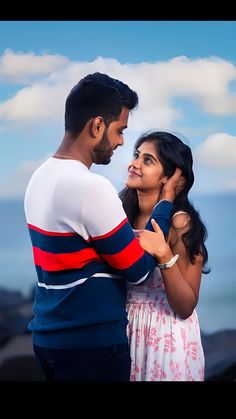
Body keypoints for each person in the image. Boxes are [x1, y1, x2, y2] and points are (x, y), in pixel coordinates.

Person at [24, 72, 182, 382]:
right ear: (97, 126)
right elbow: (138, 270)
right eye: (120, 130)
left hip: (47, 339)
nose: (122, 142)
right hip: (90, 347)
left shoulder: (38, 178)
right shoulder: (90, 187)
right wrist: (165, 204)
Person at [119, 131, 209, 381]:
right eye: (137, 155)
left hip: (165, 339)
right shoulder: (121, 215)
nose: (134, 164)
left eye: (148, 160)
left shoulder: (180, 223)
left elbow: (185, 306)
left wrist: (164, 254)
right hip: (124, 332)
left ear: (169, 178)